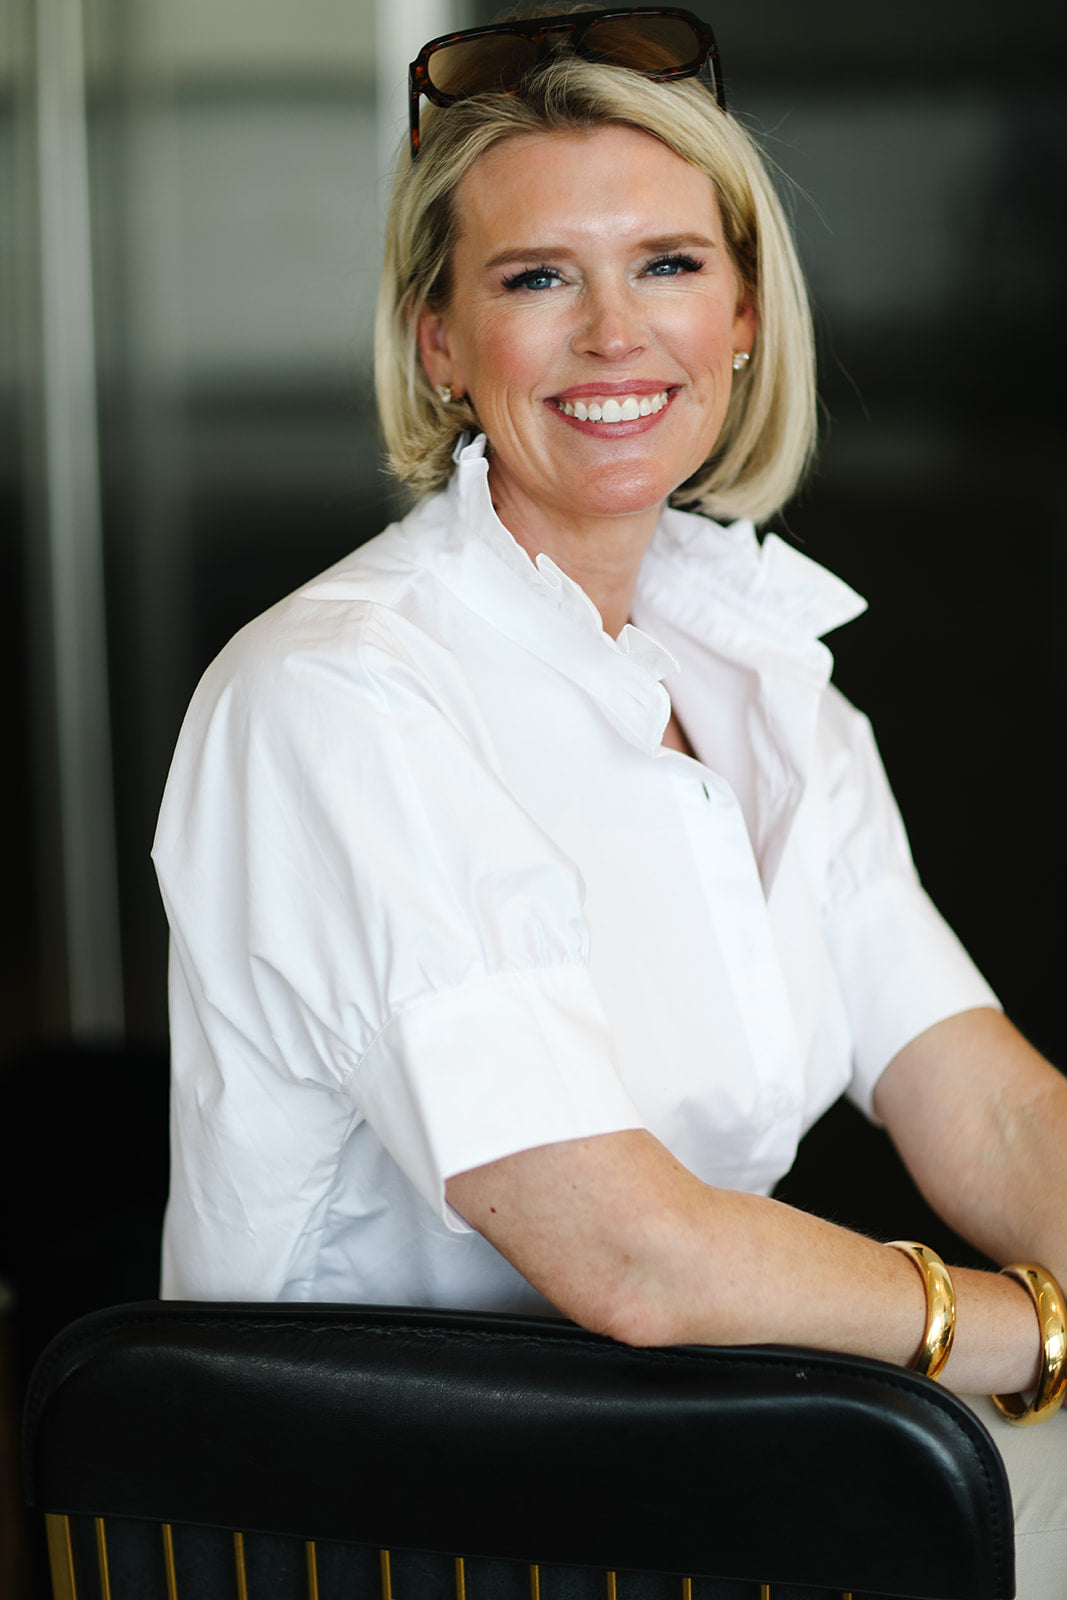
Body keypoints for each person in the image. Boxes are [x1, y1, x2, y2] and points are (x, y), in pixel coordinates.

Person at [152, 9, 1067, 1590]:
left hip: (669, 1445)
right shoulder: (342, 693)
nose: (614, 334)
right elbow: (630, 1256)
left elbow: (986, 1105)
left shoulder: (760, 676)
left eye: (667, 264)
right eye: (535, 278)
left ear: (743, 315)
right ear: (440, 343)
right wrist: (1025, 1333)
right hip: (399, 1515)